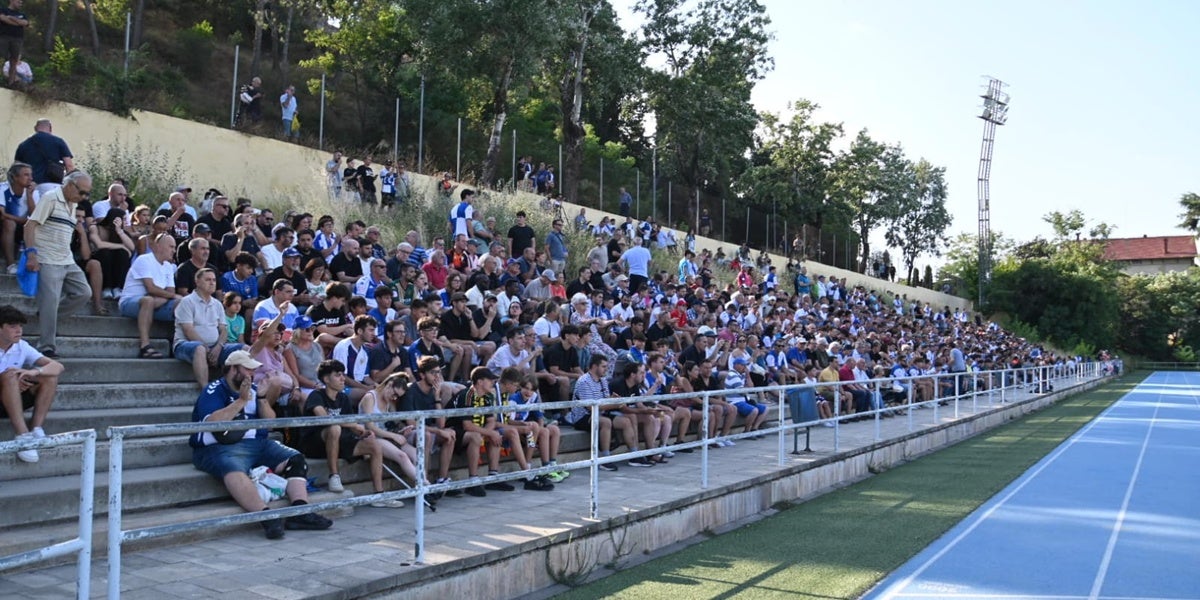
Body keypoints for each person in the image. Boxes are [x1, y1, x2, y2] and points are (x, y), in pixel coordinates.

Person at [189, 350, 333, 539]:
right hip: (219, 447)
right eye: (247, 370)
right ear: (233, 369)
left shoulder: (254, 389)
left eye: (252, 370)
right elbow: (213, 422)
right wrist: (241, 401)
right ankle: (267, 517)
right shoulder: (214, 389)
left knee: (295, 458)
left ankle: (300, 512)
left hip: (257, 444)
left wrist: (262, 398)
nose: (252, 374)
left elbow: (270, 421)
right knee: (232, 468)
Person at [299, 359, 403, 507]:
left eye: (343, 375)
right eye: (338, 375)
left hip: (339, 441)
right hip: (315, 444)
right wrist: (353, 424)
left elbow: (351, 426)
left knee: (374, 446)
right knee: (334, 428)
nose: (343, 379)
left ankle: (379, 495)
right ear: (326, 379)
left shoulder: (343, 398)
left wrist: (363, 432)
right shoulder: (316, 395)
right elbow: (324, 419)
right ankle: (334, 476)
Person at [23, 170, 92, 358]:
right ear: (70, 185)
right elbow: (30, 225)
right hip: (47, 258)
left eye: (87, 194)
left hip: (66, 259)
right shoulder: (51, 198)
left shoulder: (73, 203)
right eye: (82, 192)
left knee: (84, 293)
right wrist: (31, 255)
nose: (84, 197)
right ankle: (46, 345)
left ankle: (47, 318)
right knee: (50, 301)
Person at [0, 304, 64, 463]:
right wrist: (10, 382)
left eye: (20, 326)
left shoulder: (22, 346)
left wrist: (34, 372)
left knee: (49, 377)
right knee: (10, 375)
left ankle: (35, 429)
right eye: (13, 326)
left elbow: (58, 366)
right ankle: (22, 435)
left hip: (11, 400)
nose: (19, 331)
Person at [442, 367, 517, 497]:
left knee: (495, 434)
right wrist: (487, 433)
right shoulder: (467, 395)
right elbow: (466, 425)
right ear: (480, 381)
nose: (493, 382)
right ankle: (473, 481)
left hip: (475, 431)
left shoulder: (487, 396)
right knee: (479, 436)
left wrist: (488, 433)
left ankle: (493, 477)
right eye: (490, 380)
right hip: (455, 430)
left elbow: (491, 420)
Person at [173, 268, 243, 388]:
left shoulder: (217, 304)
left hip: (214, 347)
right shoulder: (186, 302)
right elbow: (188, 330)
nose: (212, 283)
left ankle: (235, 389)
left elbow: (223, 329)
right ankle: (206, 391)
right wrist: (207, 349)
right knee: (199, 349)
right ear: (197, 281)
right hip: (185, 344)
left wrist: (218, 347)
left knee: (244, 349)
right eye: (208, 280)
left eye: (214, 280)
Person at [119, 232, 179, 359]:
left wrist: (163, 298)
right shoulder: (144, 260)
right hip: (129, 302)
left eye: (174, 247)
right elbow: (151, 288)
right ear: (158, 246)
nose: (174, 250)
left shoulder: (169, 266)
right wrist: (165, 297)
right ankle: (145, 346)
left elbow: (171, 292)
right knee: (148, 300)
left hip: (156, 302)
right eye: (171, 247)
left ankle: (177, 343)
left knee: (181, 302)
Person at [14, 118, 73, 191]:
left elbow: (16, 168)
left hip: (29, 186)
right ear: (50, 128)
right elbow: (69, 165)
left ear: (35, 128)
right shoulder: (58, 141)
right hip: (52, 185)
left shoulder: (23, 145)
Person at [0, 0, 29, 88]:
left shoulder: (22, 14)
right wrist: (18, 23)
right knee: (1, 58)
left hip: (17, 39)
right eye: (18, 1)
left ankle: (11, 83)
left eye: (21, 2)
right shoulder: (3, 10)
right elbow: (3, 19)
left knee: (14, 60)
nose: (21, 3)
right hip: (4, 37)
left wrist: (12, 18)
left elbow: (25, 23)